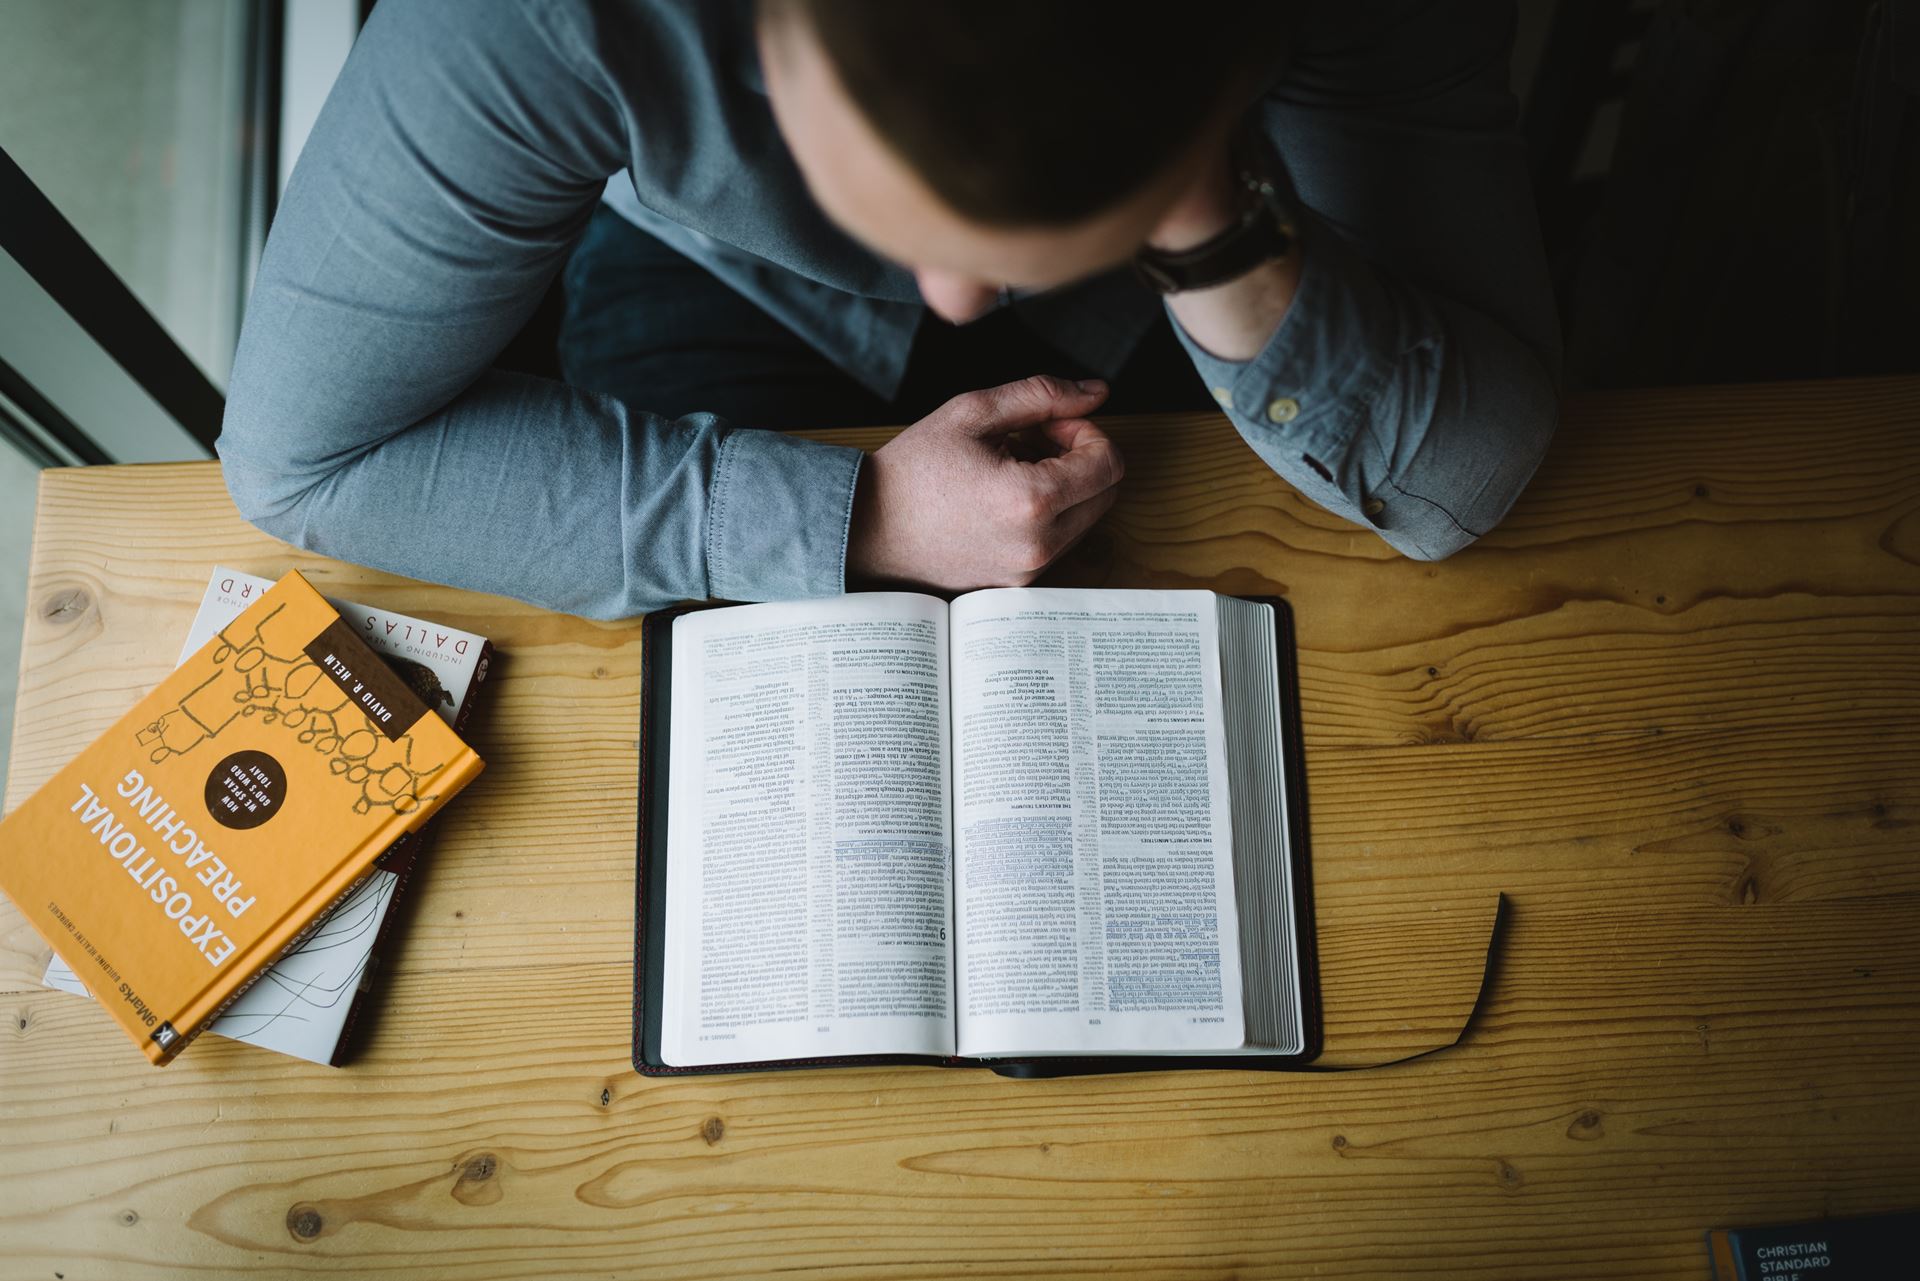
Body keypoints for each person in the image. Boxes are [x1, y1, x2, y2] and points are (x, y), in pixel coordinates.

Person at [218, 0, 1560, 619]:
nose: (969, 301)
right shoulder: (521, 22)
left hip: (1187, 259)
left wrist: (1209, 218)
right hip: (719, 276)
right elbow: (303, 457)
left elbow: (1465, 478)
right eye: (918, 220)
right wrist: (854, 515)